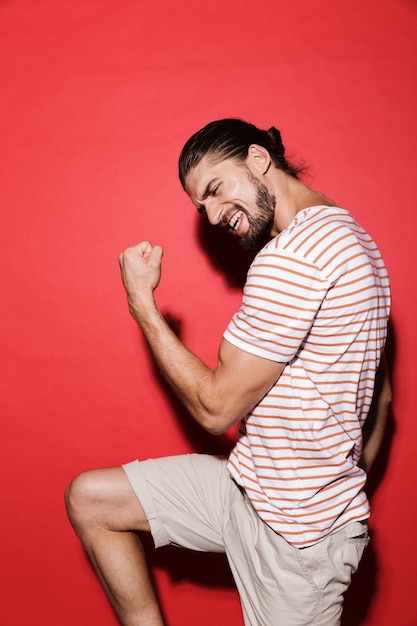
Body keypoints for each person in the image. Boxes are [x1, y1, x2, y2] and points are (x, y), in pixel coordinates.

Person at [65, 118, 392, 626]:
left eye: (216, 190)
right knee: (91, 499)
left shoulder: (293, 258)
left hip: (297, 543)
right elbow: (382, 400)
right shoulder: (354, 238)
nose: (215, 215)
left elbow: (215, 409)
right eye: (203, 207)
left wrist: (141, 303)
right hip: (247, 488)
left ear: (259, 159)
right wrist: (336, 485)